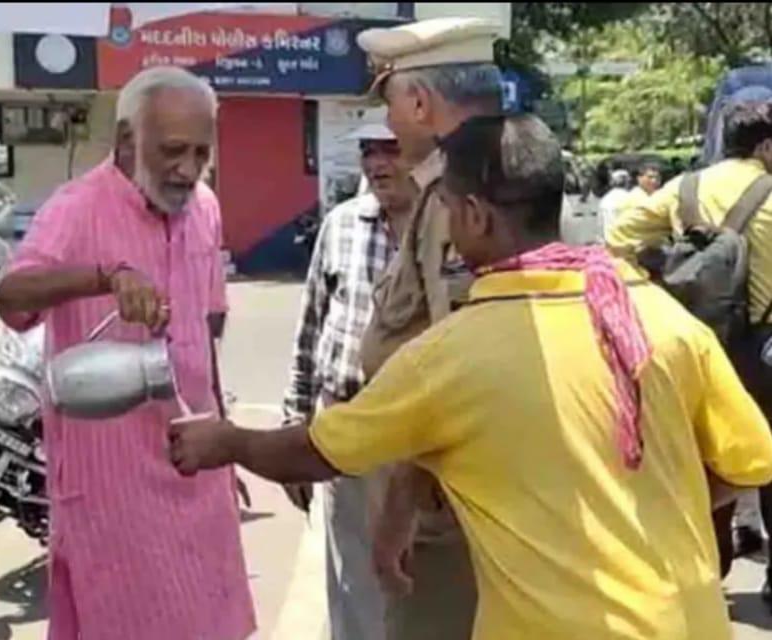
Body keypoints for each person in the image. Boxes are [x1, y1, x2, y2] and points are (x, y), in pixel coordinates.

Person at [169, 114, 772, 639]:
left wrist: (229, 442)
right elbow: (747, 461)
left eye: (448, 209)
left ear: (476, 215)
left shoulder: (453, 354)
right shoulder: (653, 311)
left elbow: (317, 451)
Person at [0, 67, 255, 640]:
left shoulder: (204, 207)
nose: (187, 169)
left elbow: (206, 331)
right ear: (126, 142)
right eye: (172, 151)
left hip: (196, 465)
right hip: (115, 490)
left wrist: (225, 442)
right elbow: (11, 299)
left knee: (214, 622)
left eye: (200, 153)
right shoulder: (76, 208)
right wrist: (103, 277)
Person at [352, 17, 503, 638]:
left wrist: (401, 507)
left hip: (447, 505)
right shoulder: (499, 179)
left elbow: (454, 372)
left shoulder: (455, 200)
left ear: (419, 102)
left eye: (390, 103)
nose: (387, 126)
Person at [608, 99, 772, 610]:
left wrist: (666, 272)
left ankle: (705, 571)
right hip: (763, 347)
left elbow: (617, 238)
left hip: (694, 344)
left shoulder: (684, 189)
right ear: (766, 146)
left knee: (699, 455)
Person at [281, 122, 414, 640]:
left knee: (419, 587)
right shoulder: (342, 225)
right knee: (354, 592)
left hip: (424, 439)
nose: (378, 164)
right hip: (347, 430)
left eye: (391, 150)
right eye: (368, 151)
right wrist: (295, 425)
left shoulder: (453, 226)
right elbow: (310, 326)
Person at [597, 168, 632, 239]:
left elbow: (600, 224)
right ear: (626, 182)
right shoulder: (630, 198)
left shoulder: (605, 199)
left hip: (609, 241)